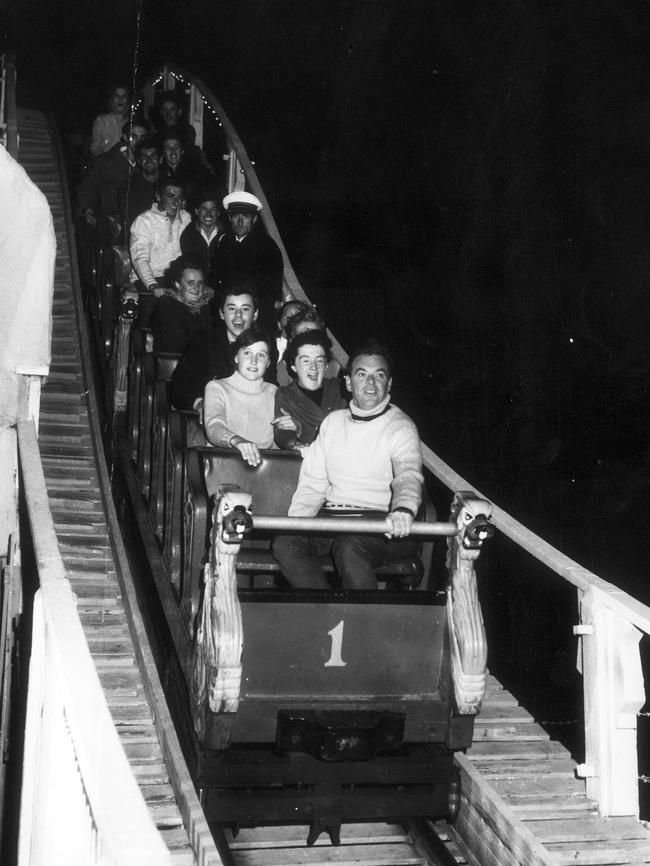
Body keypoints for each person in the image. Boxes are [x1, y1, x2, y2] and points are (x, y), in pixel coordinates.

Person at [272, 340, 423, 590]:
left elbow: (408, 474)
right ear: (349, 383)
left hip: (383, 526)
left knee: (349, 547)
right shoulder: (332, 422)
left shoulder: (401, 426)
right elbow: (313, 483)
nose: (371, 384)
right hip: (335, 521)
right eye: (362, 375)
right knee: (286, 543)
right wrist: (296, 524)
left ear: (389, 384)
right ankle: (326, 616)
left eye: (379, 376)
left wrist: (404, 509)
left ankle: (365, 626)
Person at [170, 286, 259, 410]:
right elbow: (179, 387)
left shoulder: (263, 345)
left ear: (255, 314)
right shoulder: (202, 342)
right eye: (232, 309)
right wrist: (200, 404)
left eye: (245, 309)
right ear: (221, 313)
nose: (238, 315)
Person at [203, 327, 277, 466]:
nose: (254, 361)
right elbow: (214, 426)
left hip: (265, 470)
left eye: (261, 355)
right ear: (236, 357)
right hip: (226, 466)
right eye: (247, 353)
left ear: (268, 363)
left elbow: (277, 444)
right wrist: (237, 441)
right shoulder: (217, 387)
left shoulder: (274, 392)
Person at [213, 191, 285, 332]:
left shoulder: (267, 247)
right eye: (236, 216)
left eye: (245, 216)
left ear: (254, 219)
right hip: (226, 310)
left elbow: (269, 291)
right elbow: (216, 278)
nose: (240, 221)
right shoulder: (222, 242)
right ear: (229, 218)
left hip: (257, 315)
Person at [77, 118, 150, 242]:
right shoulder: (106, 162)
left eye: (142, 138)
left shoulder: (147, 162)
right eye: (134, 137)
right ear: (125, 137)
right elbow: (86, 188)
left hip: (143, 221)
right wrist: (88, 209)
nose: (138, 142)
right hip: (114, 223)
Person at [273, 330, 346, 451]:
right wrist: (296, 443)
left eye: (319, 360)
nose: (313, 367)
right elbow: (282, 432)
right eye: (306, 361)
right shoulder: (286, 394)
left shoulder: (340, 388)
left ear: (327, 365)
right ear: (293, 366)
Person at [128, 180, 191, 297]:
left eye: (179, 197)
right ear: (158, 196)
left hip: (178, 278)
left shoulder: (186, 218)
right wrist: (152, 285)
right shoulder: (144, 221)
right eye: (170, 196)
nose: (176, 202)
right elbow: (140, 259)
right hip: (150, 278)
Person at [149, 256, 213, 354]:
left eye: (200, 283)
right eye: (190, 283)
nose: (196, 288)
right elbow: (175, 345)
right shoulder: (167, 305)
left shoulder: (210, 303)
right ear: (177, 284)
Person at [158, 130, 214, 210]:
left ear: (182, 150)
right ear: (163, 152)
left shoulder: (197, 170)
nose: (173, 151)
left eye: (176, 147)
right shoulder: (158, 172)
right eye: (168, 147)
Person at [180, 187, 224, 286]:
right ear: (196, 211)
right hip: (198, 284)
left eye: (212, 209)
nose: (208, 214)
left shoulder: (227, 234)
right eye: (204, 209)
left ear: (218, 213)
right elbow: (190, 265)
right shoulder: (188, 235)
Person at [126, 138, 161, 225]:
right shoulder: (129, 186)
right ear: (139, 161)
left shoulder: (168, 184)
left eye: (153, 156)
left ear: (161, 160)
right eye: (144, 156)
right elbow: (131, 221)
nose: (149, 160)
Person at [90, 84, 130, 158]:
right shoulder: (101, 121)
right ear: (111, 99)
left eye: (123, 96)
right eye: (117, 96)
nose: (120, 99)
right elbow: (95, 147)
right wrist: (105, 160)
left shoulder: (132, 122)